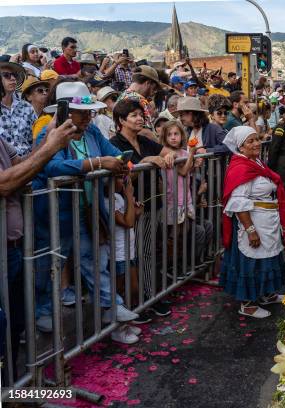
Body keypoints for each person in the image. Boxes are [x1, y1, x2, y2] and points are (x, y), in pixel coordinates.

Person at [32, 82, 138, 334]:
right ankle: (42, 311)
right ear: (65, 111)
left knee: (94, 260)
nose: (89, 117)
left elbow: (116, 152)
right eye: (83, 112)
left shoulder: (92, 133)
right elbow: (53, 167)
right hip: (54, 212)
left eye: (90, 112)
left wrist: (124, 163)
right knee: (48, 265)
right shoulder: (48, 134)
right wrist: (98, 163)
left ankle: (110, 305)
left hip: (86, 208)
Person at [0, 76, 78, 378]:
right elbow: (5, 184)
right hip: (4, 251)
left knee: (14, 325)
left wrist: (48, 141)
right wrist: (50, 149)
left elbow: (25, 165)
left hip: (13, 248)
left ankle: (16, 389)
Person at [110, 98, 177, 322]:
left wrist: (167, 155)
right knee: (135, 255)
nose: (140, 118)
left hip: (154, 204)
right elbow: (123, 176)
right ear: (121, 120)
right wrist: (147, 160)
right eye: (134, 115)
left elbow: (172, 152)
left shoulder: (145, 140)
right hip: (133, 209)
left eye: (141, 114)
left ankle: (149, 296)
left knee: (148, 252)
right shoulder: (115, 143)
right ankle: (141, 300)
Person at [220, 126, 285, 318]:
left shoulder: (255, 162)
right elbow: (238, 203)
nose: (257, 143)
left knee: (267, 257)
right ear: (240, 147)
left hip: (267, 220)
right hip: (255, 222)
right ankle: (247, 304)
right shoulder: (241, 167)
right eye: (250, 141)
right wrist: (250, 230)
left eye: (257, 139)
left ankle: (267, 294)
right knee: (252, 260)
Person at [158, 120, 212, 271]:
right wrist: (193, 154)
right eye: (169, 135)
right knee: (174, 235)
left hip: (186, 199)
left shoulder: (183, 153)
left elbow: (189, 171)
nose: (173, 137)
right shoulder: (169, 153)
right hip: (173, 200)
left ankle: (180, 264)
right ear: (165, 137)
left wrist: (195, 162)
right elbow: (182, 171)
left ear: (182, 136)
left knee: (184, 233)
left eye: (176, 134)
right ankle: (169, 266)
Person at [105, 175, 142, 344]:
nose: (125, 182)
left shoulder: (119, 196)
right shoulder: (108, 201)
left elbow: (132, 217)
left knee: (133, 289)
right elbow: (128, 222)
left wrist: (136, 210)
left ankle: (126, 323)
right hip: (118, 253)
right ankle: (117, 329)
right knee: (119, 292)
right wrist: (129, 196)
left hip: (129, 250)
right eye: (120, 179)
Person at [0, 57, 36, 156]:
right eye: (7, 75)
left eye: (14, 75)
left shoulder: (27, 107)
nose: (13, 78)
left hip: (27, 163)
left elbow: (35, 138)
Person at [117, 65, 161, 140]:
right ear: (148, 83)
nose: (154, 92)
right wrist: (163, 148)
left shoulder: (122, 96)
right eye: (154, 88)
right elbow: (145, 132)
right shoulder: (139, 100)